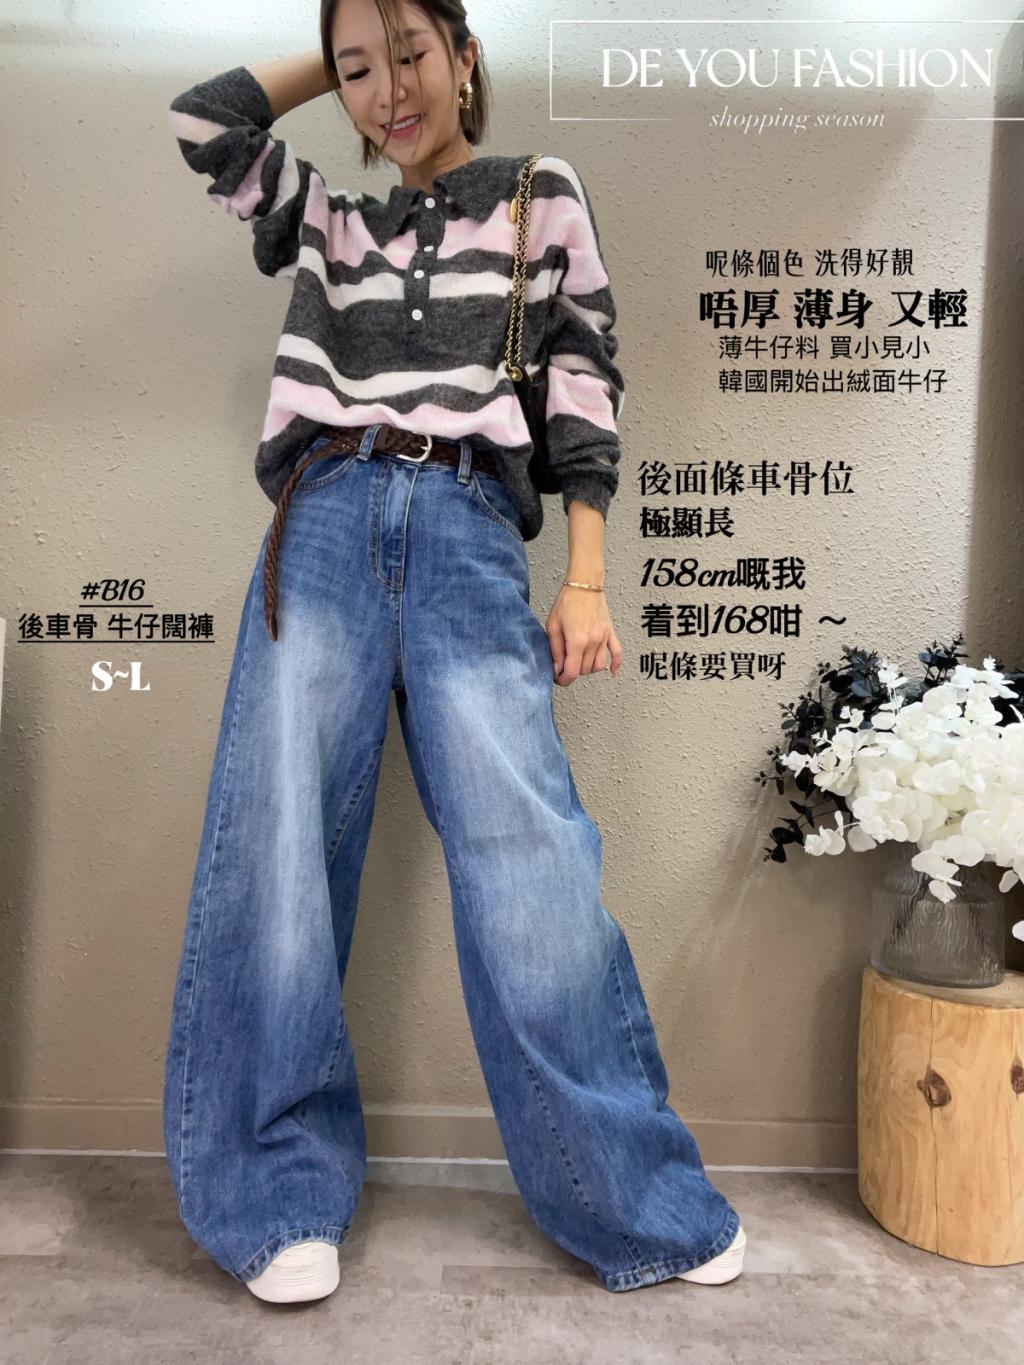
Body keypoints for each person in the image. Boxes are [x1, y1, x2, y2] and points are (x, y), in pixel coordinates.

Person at [161, 0, 745, 1305]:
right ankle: (274, 1196)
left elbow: (584, 376)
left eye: (413, 55)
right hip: (323, 516)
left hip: (473, 526)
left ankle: (639, 1200)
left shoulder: (539, 193)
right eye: (359, 73)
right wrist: (348, 41)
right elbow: (205, 123)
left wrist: (585, 579)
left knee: (532, 869)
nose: (389, 92)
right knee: (276, 854)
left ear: (466, 53)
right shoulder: (328, 219)